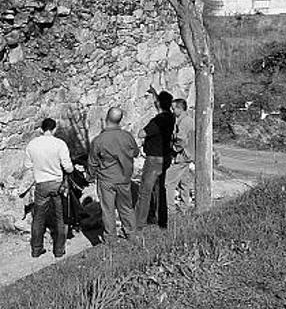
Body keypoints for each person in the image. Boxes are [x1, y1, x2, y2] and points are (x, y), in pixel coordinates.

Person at [87, 107, 140, 242]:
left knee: (108, 209)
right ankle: (132, 234)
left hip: (106, 179)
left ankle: (111, 238)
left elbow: (93, 162)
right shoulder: (127, 136)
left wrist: (90, 176)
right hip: (124, 178)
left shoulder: (99, 140)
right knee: (126, 207)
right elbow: (135, 153)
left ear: (106, 119)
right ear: (120, 120)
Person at [24, 118, 74, 258]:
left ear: (41, 129)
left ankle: (36, 249)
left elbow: (28, 166)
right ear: (54, 129)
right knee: (60, 217)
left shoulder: (32, 145)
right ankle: (59, 250)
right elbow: (68, 168)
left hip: (41, 184)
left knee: (39, 218)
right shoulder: (60, 144)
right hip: (57, 184)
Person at [135, 90, 176, 230]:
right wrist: (154, 93)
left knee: (145, 192)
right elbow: (161, 103)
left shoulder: (157, 121)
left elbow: (142, 134)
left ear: (158, 104)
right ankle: (161, 221)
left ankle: (139, 223)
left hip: (153, 159)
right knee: (160, 190)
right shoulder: (171, 117)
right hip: (165, 158)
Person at [166, 98, 196, 211]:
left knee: (168, 182)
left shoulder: (184, 122)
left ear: (180, 108)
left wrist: (174, 149)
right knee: (184, 182)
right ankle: (185, 206)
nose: (172, 111)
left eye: (173, 109)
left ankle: (170, 209)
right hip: (188, 155)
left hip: (182, 156)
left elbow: (181, 140)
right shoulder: (189, 120)